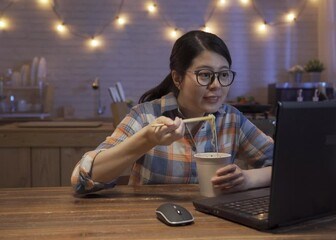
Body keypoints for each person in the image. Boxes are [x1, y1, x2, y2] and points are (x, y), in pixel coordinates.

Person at [71, 30, 274, 194]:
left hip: (216, 224)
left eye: (223, 74)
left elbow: (290, 165)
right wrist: (147, 139)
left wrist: (247, 179)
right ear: (177, 79)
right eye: (205, 75)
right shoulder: (146, 115)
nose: (216, 85)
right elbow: (81, 179)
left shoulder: (231, 119)